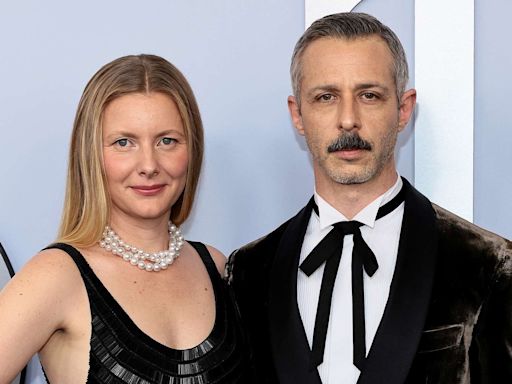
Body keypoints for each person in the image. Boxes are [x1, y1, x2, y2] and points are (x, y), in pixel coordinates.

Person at [227, 12, 512, 384]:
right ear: (298, 114)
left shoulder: (488, 263)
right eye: (326, 97)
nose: (348, 120)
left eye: (369, 95)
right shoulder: (247, 271)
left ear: (404, 109)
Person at [0, 54, 251, 383]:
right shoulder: (57, 276)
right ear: (91, 154)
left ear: (193, 150)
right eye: (123, 142)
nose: (148, 164)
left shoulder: (215, 266)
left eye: (167, 141)